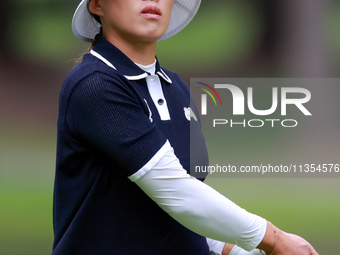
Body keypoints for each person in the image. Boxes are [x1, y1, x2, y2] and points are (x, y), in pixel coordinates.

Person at [52, 0, 319, 254]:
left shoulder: (176, 88)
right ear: (98, 5)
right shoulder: (94, 85)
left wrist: (240, 250)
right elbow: (175, 191)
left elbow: (182, 214)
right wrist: (273, 239)